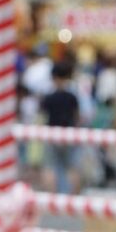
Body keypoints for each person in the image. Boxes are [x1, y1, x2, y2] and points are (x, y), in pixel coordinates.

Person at [39, 61, 82, 195]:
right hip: (69, 134)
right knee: (72, 167)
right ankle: (73, 197)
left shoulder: (49, 97)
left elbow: (42, 116)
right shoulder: (72, 97)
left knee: (50, 166)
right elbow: (77, 117)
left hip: (52, 134)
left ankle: (52, 197)